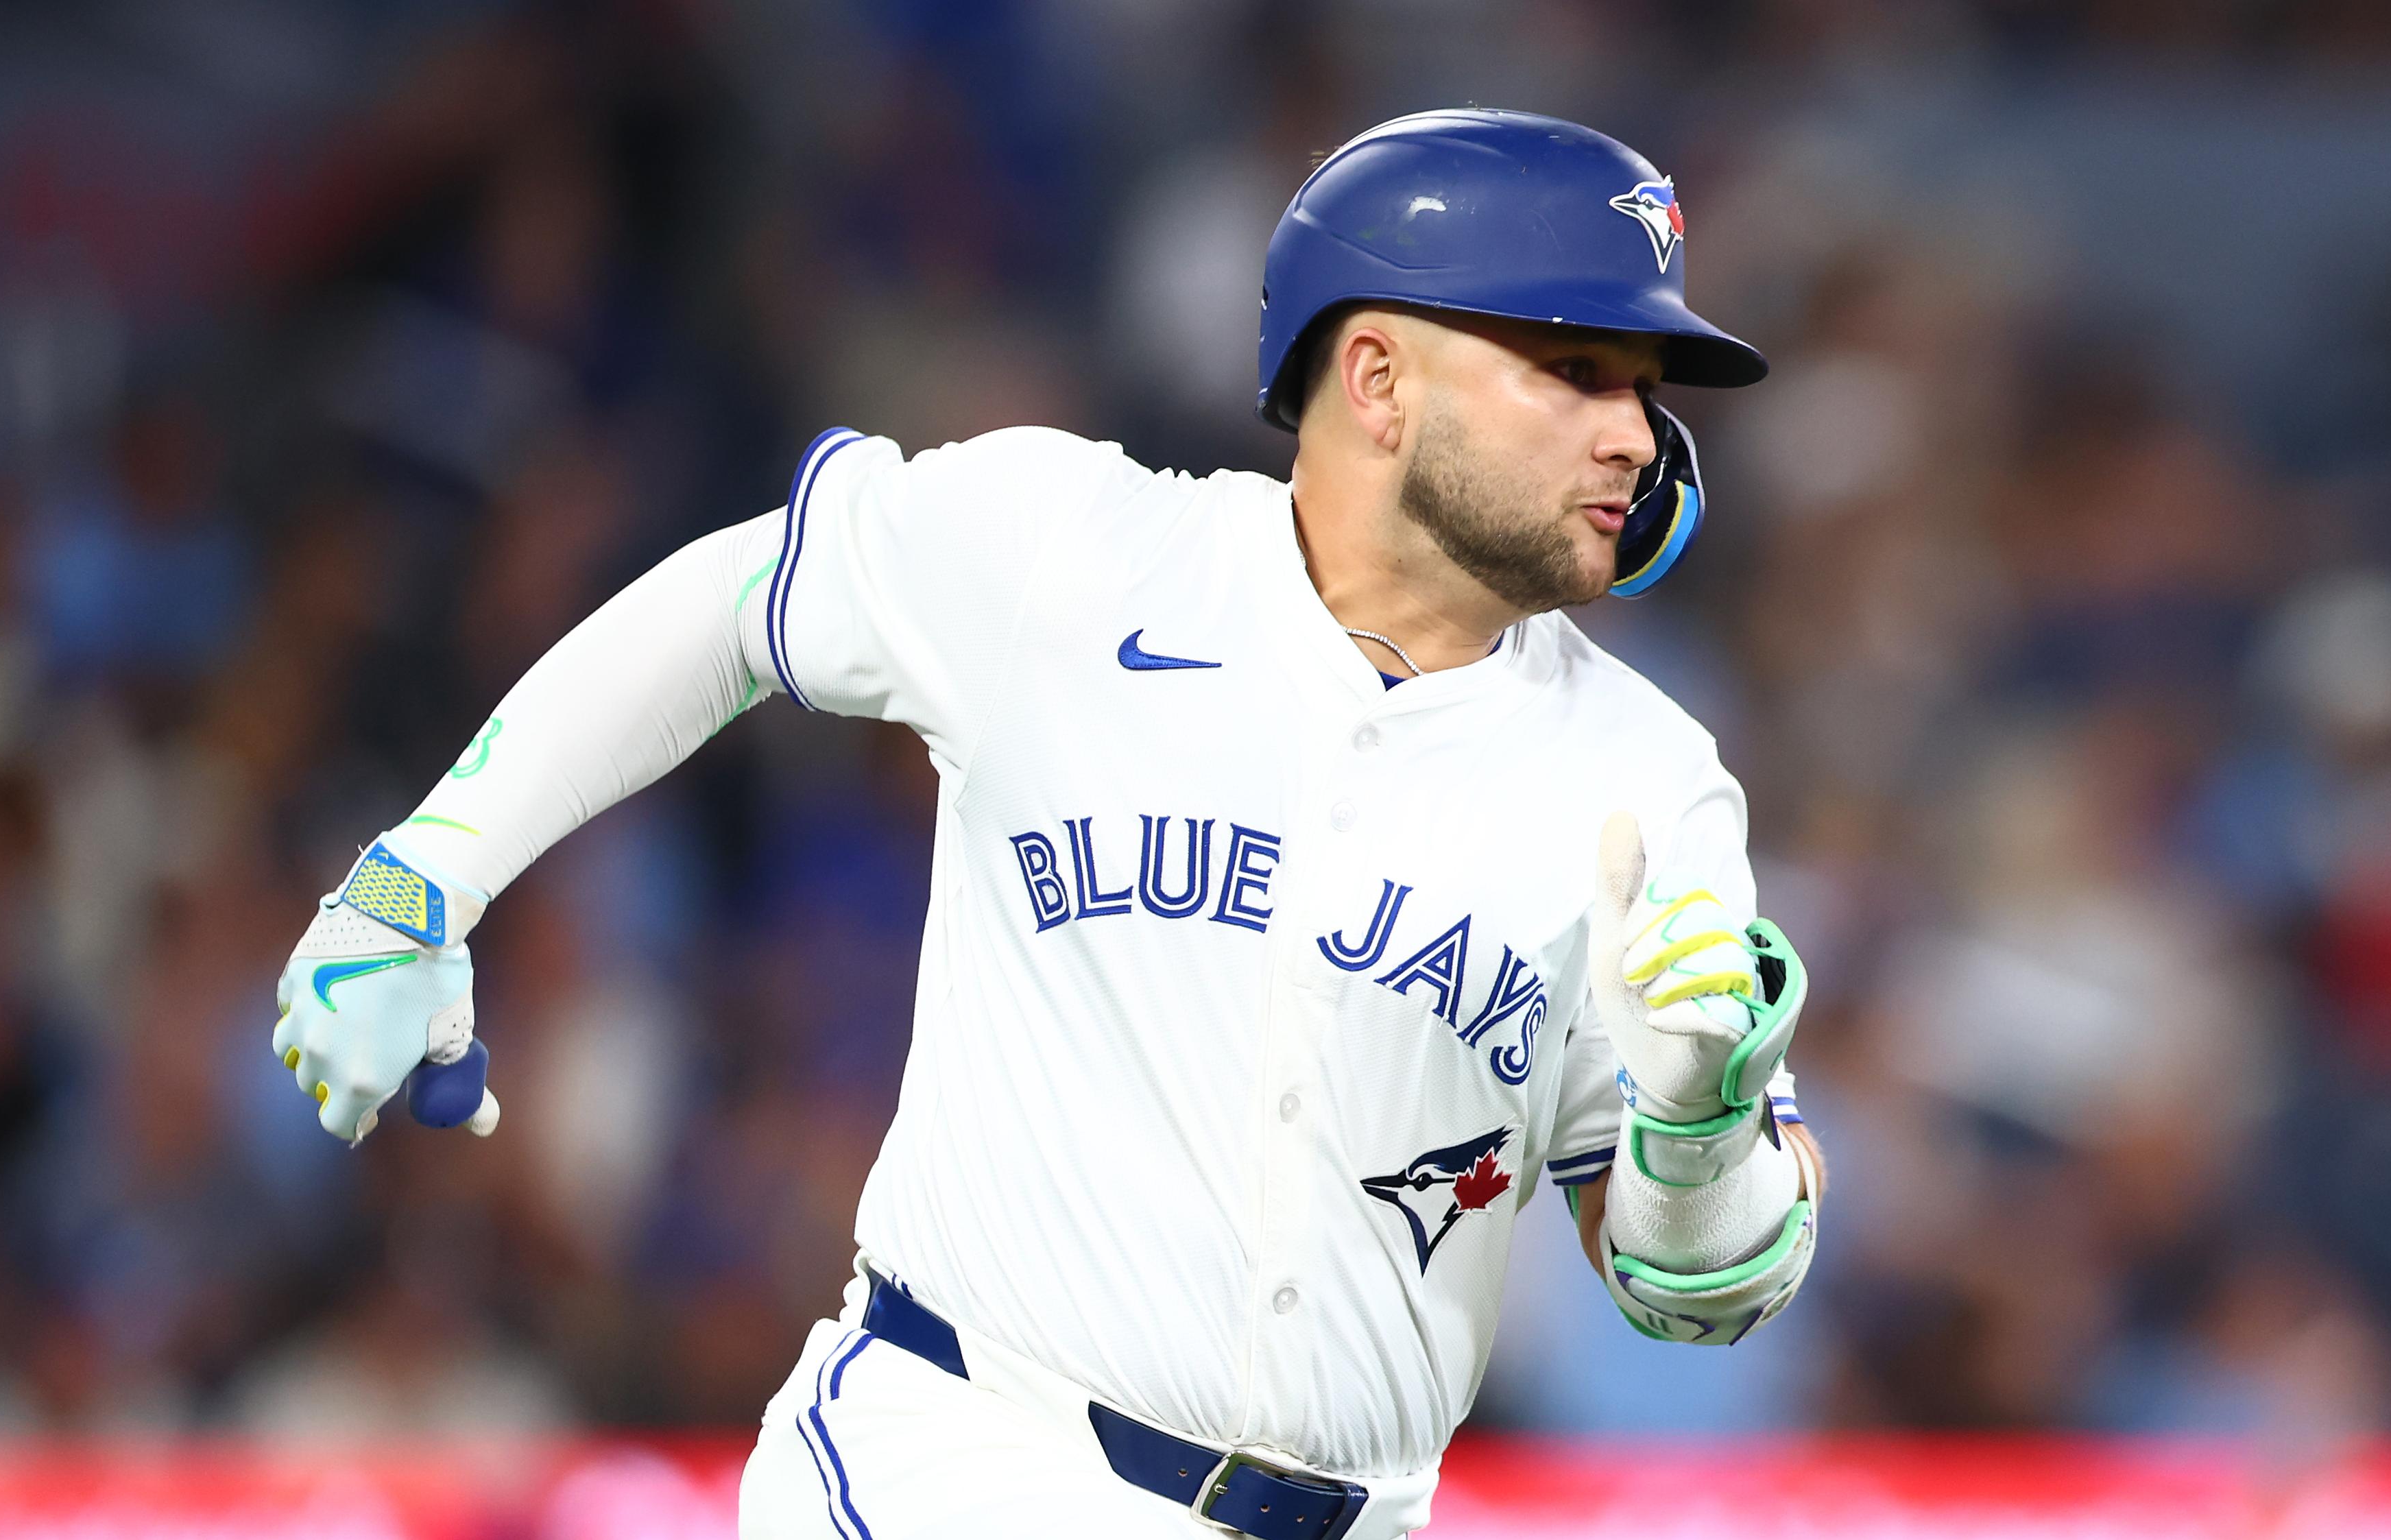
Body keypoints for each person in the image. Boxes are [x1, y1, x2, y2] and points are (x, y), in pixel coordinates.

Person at [269, 108, 1825, 1540]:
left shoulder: (1650, 774)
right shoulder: (1079, 555)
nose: (1634, 435)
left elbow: (1693, 1292)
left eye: (1643, 391)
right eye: (1574, 371)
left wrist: (1696, 1128)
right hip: (964, 1465)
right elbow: (734, 606)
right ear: (1377, 382)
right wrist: (421, 878)